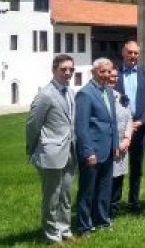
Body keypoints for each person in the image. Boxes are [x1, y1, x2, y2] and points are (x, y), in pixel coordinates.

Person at [26, 54, 77, 244]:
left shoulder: (70, 93)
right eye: (63, 69)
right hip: (50, 154)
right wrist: (33, 149)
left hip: (69, 152)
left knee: (65, 194)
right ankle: (51, 235)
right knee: (52, 196)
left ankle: (65, 230)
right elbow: (32, 124)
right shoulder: (45, 95)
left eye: (71, 69)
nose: (67, 73)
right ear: (54, 70)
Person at [74, 58, 119, 235]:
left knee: (104, 188)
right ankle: (84, 225)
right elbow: (81, 126)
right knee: (87, 190)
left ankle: (102, 220)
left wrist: (115, 144)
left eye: (109, 72)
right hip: (92, 151)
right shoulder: (85, 93)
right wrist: (88, 151)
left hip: (108, 149)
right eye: (103, 72)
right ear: (93, 72)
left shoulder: (108, 91)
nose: (107, 75)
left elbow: (112, 122)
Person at [113, 40, 145, 215]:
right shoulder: (114, 73)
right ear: (123, 52)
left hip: (140, 127)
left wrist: (142, 120)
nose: (133, 56)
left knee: (137, 167)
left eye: (136, 53)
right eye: (130, 52)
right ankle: (113, 203)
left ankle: (133, 202)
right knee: (118, 166)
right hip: (119, 128)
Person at [108, 63, 133, 216]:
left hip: (123, 144)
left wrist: (127, 138)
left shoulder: (120, 96)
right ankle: (103, 209)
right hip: (108, 145)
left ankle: (114, 208)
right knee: (107, 178)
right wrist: (114, 143)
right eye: (111, 75)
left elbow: (129, 118)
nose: (114, 79)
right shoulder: (99, 96)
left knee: (119, 177)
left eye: (116, 76)